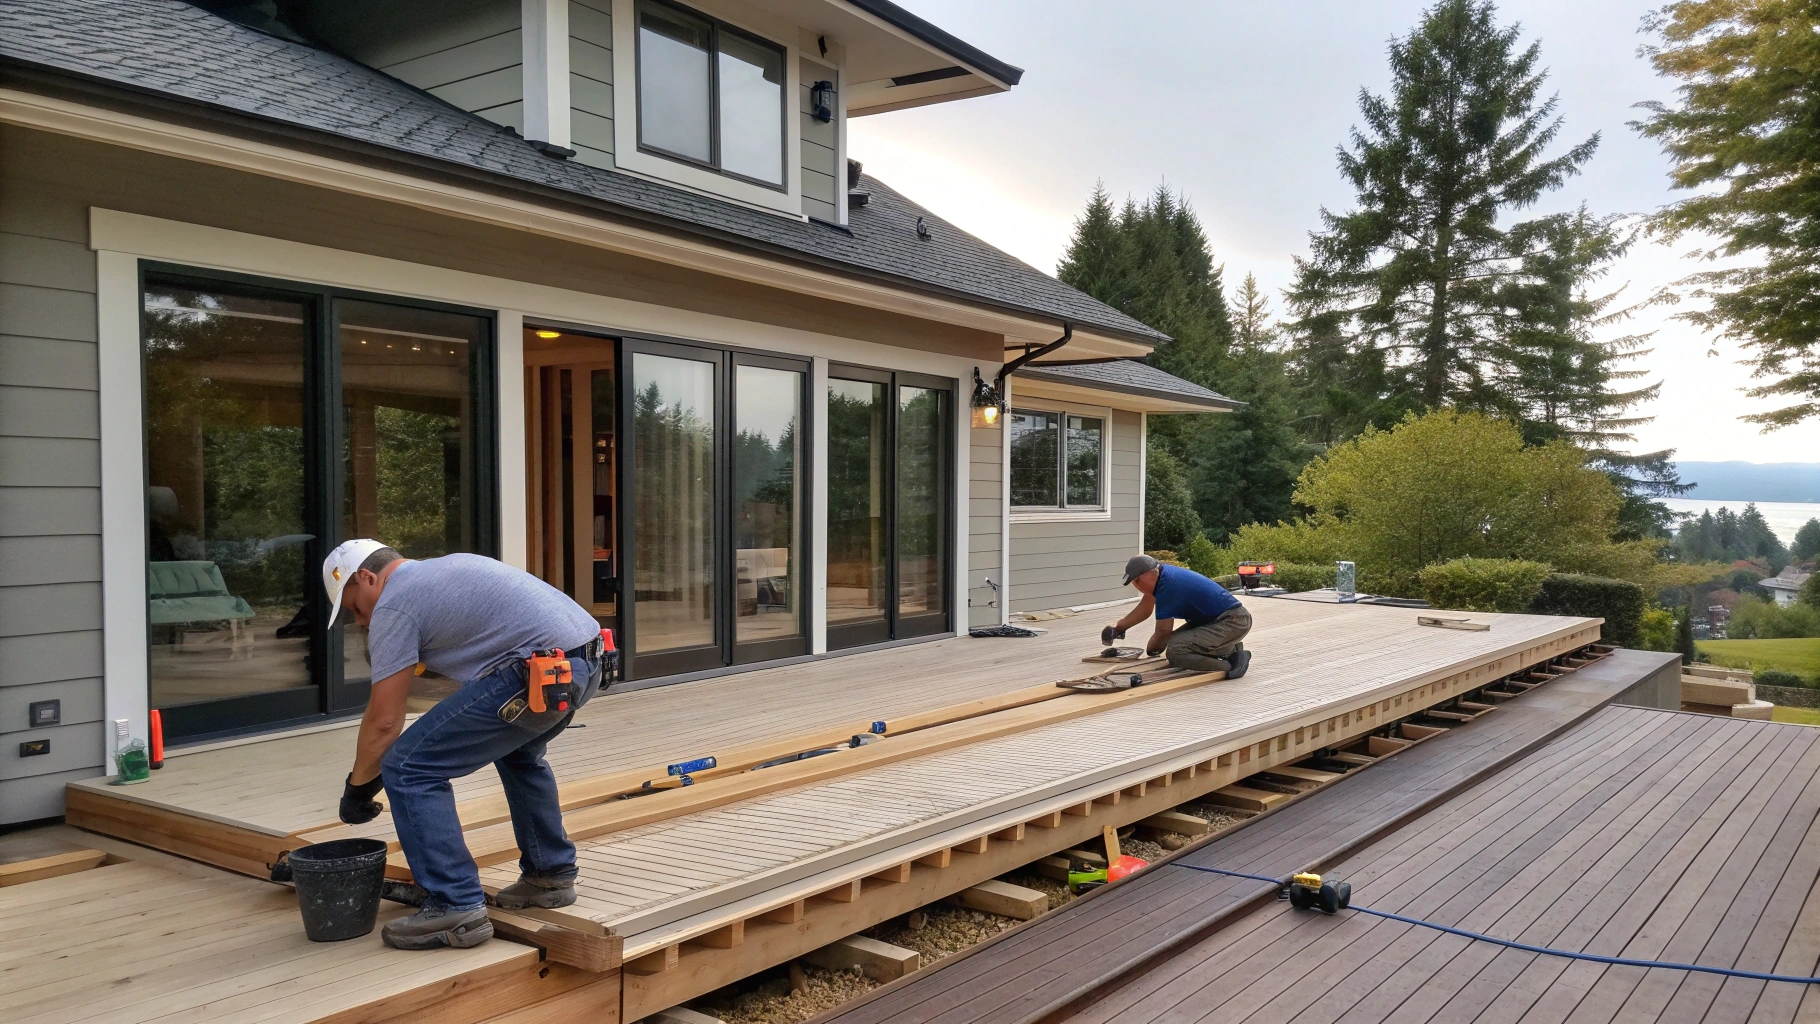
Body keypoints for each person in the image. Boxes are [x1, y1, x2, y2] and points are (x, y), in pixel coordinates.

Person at [324, 539, 608, 950]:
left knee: (408, 766)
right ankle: (550, 875)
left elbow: (385, 721)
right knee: (519, 753)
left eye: (355, 608)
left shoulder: (395, 604)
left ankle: (455, 905)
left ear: (366, 578)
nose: (361, 622)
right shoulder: (443, 571)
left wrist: (358, 788)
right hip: (587, 663)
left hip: (535, 672)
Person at [1104, 554, 1252, 678]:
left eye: (1138, 581)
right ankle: (1230, 648)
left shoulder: (1167, 586)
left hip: (1232, 621)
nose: (1137, 586)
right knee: (1177, 643)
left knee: (1176, 650)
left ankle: (1231, 664)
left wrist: (1153, 650)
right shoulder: (1162, 577)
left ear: (1150, 573)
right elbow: (1145, 609)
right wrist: (1118, 628)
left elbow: (1163, 632)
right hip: (1218, 621)